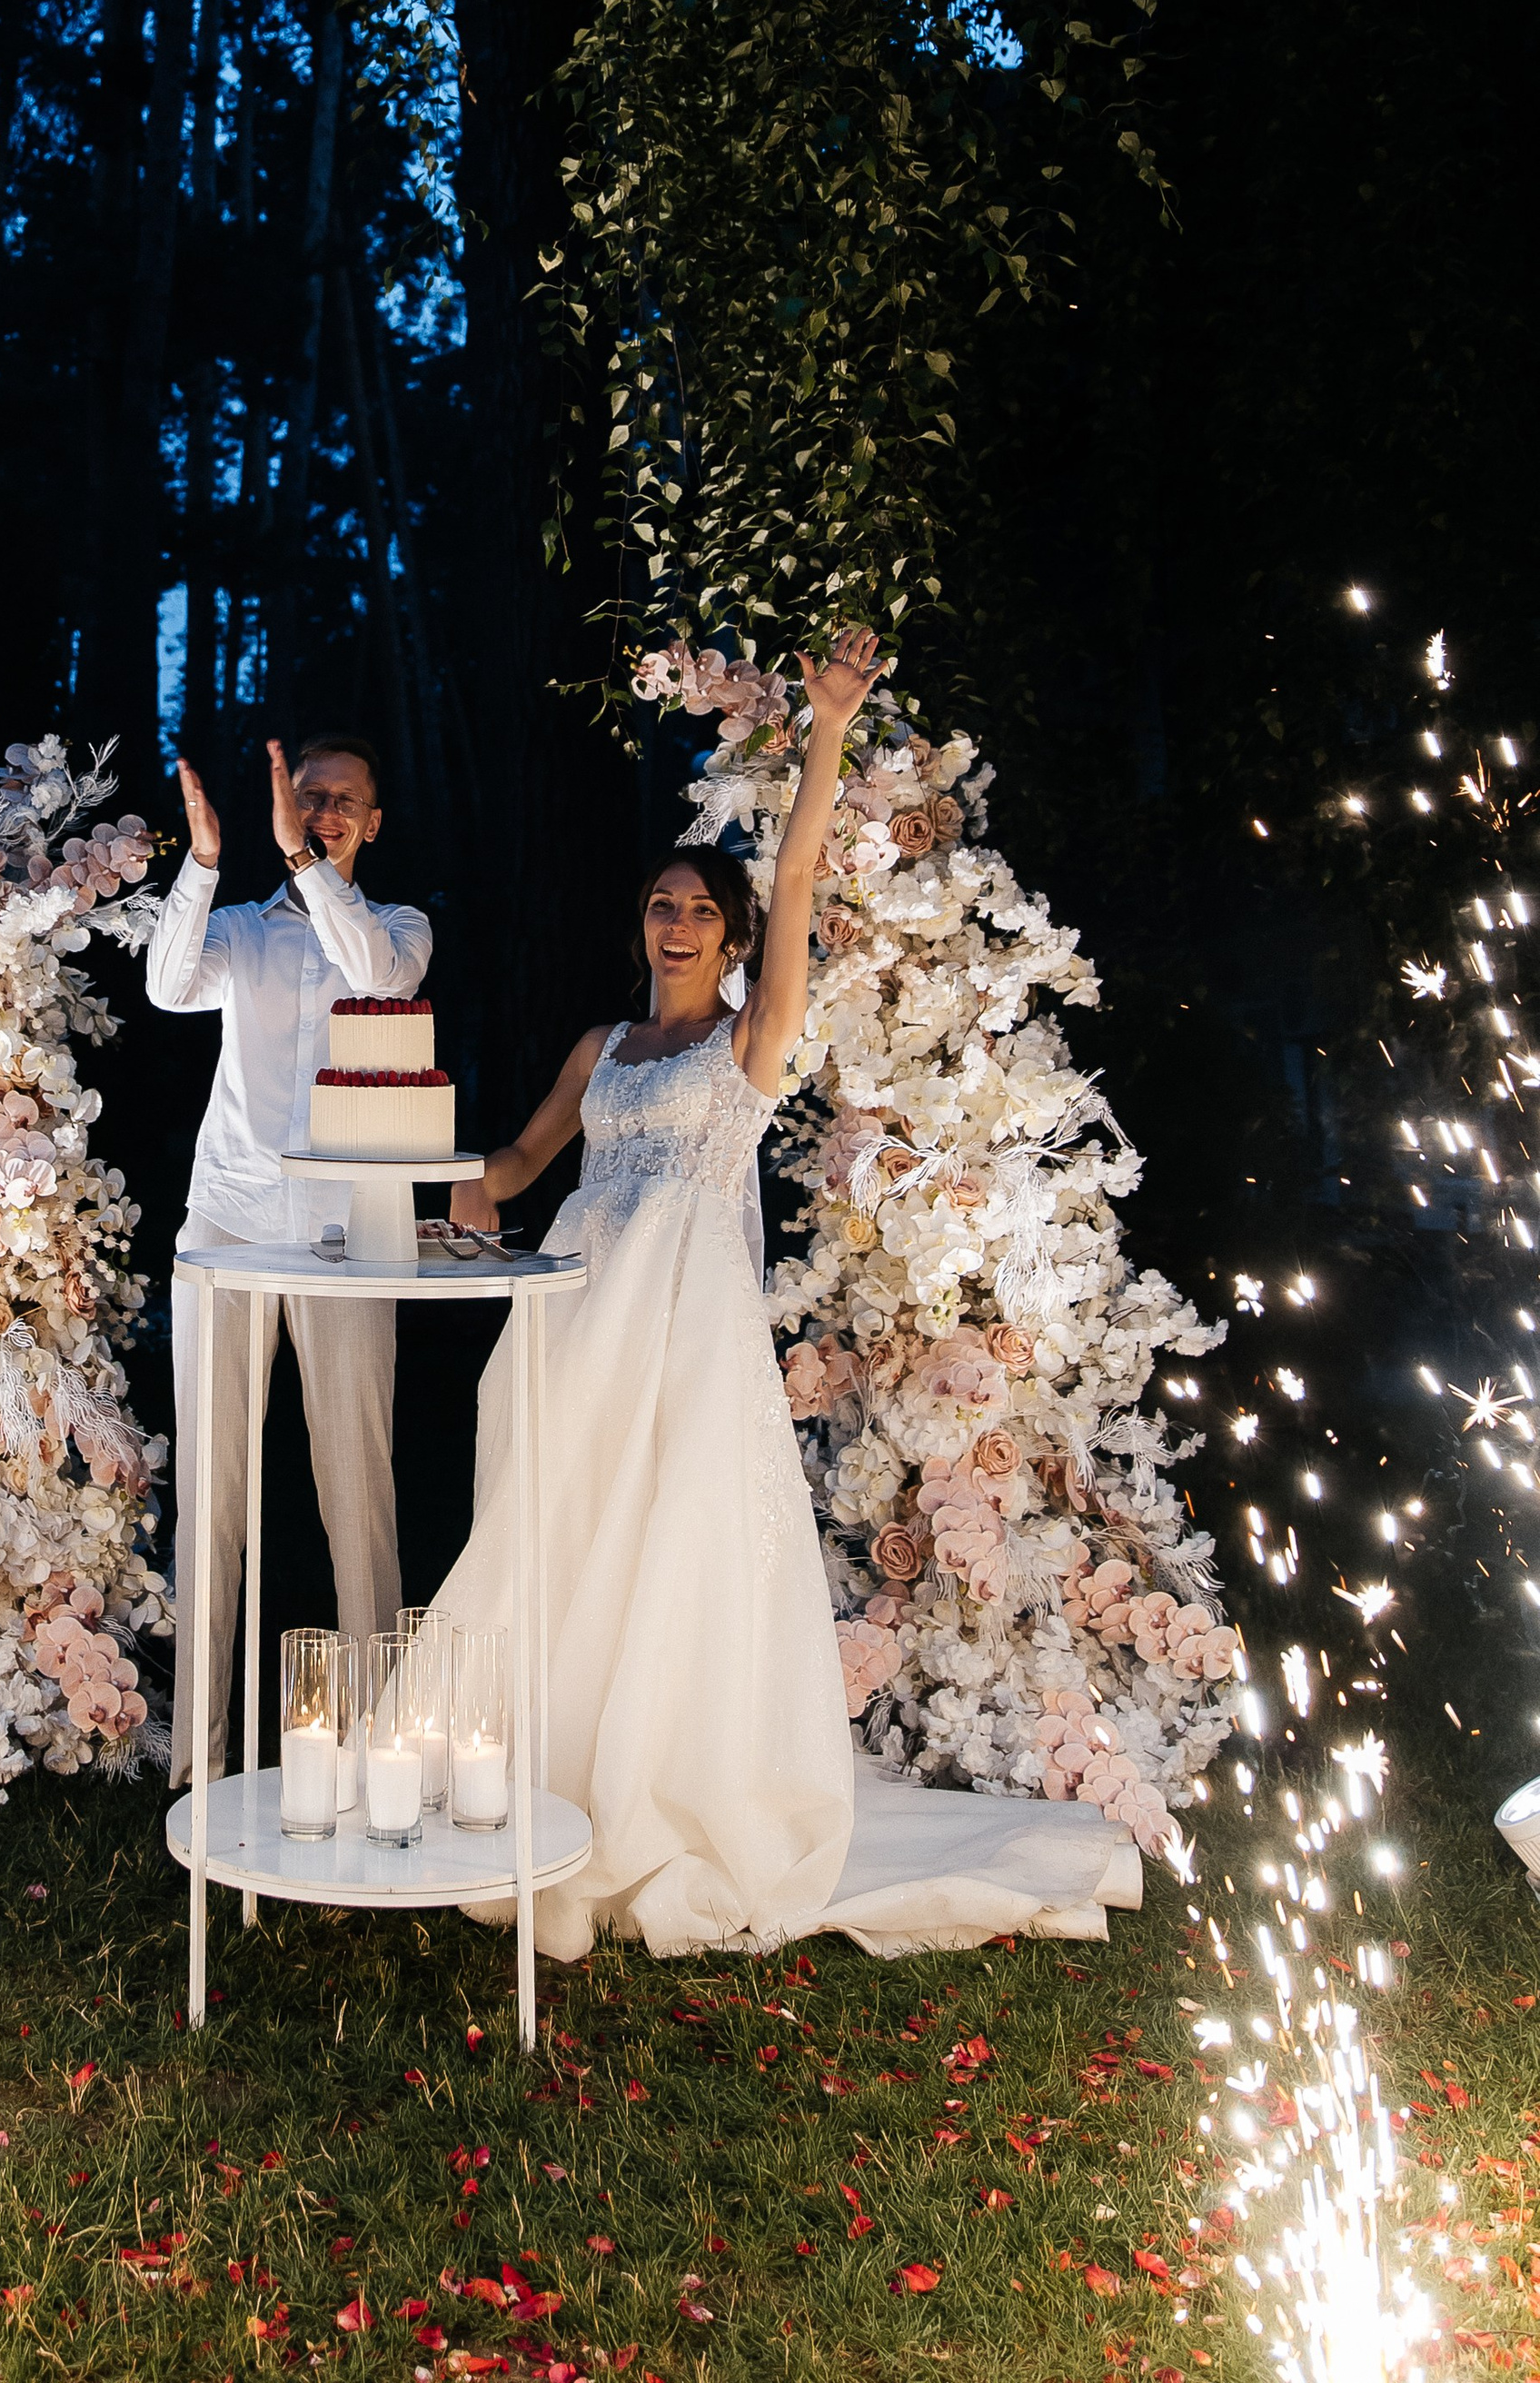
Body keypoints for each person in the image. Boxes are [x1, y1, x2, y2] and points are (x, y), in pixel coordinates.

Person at [433, 630, 1138, 1961]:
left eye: (701, 910)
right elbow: (521, 1161)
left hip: (685, 1331)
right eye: (662, 905)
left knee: (669, 1542)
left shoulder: (749, 1043)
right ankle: (540, 1766)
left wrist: (827, 728)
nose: (677, 923)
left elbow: (800, 869)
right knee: (562, 1528)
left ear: (734, 936)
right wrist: (444, 1184)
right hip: (580, 1317)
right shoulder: (603, 1046)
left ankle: (659, 1785)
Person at [147, 730, 430, 1786]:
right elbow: (168, 986)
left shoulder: (399, 928)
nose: (324, 811)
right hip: (226, 1222)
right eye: (309, 795)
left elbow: (378, 982)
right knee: (211, 1496)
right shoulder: (240, 931)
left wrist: (307, 867)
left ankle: (378, 1761)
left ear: (373, 822)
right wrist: (204, 859)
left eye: (344, 799)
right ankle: (198, 1768)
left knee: (358, 1494)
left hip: (348, 1232)